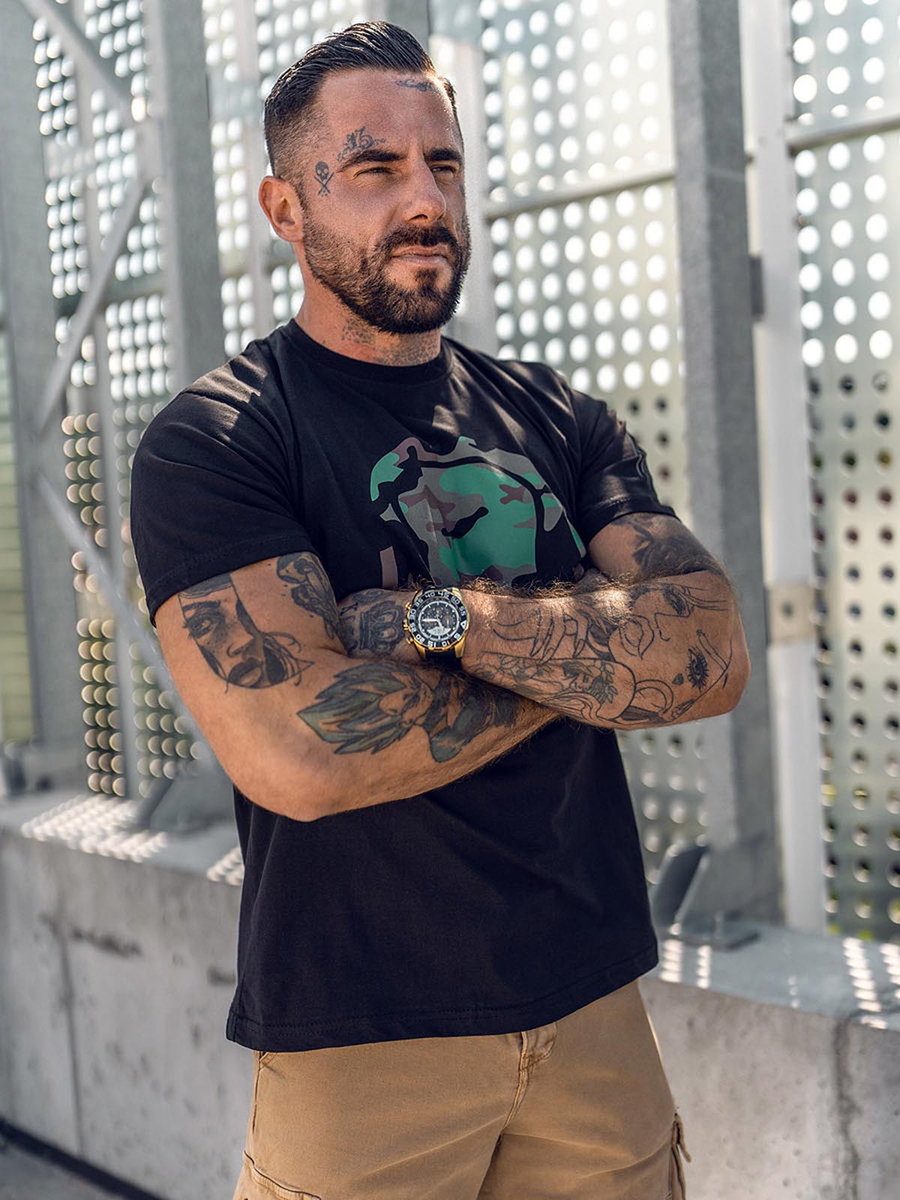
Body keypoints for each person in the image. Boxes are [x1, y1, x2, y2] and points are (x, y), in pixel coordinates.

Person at [129, 20, 748, 1200]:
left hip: (595, 1006)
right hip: (366, 1040)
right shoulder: (222, 438)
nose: (425, 199)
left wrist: (442, 625)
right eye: (375, 167)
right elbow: (300, 751)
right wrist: (592, 656)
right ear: (285, 207)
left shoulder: (558, 418)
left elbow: (712, 651)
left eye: (443, 164)